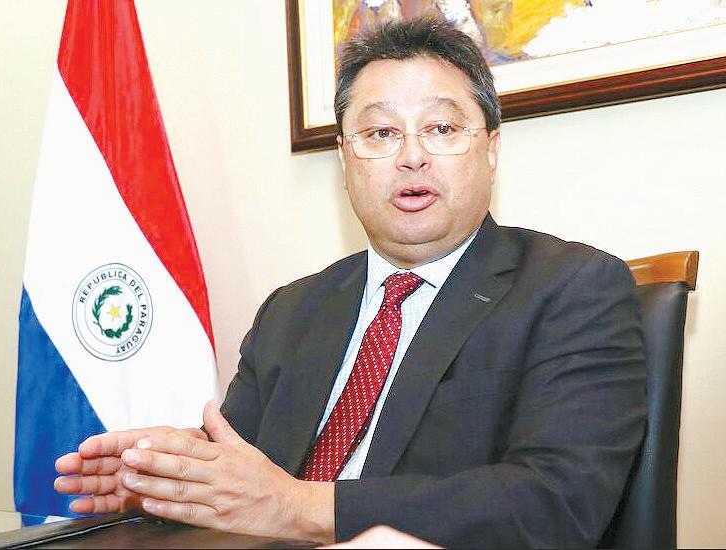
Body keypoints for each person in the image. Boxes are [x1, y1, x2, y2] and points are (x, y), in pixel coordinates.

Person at [54, 16, 646, 547]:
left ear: (490, 149)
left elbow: (557, 502)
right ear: (344, 158)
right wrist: (168, 480)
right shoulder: (292, 310)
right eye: (380, 133)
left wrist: (302, 507)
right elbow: (247, 474)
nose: (411, 156)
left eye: (442, 128)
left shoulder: (573, 287)